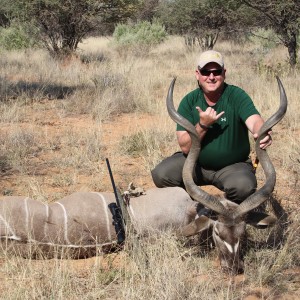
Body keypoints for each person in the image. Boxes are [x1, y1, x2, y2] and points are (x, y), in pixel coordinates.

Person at [151, 50, 272, 204]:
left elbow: (254, 121)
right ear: (197, 74)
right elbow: (186, 147)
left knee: (244, 187)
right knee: (161, 175)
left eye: (217, 71)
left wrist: (262, 131)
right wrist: (202, 125)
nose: (211, 77)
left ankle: (229, 215)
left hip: (232, 167)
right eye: (205, 72)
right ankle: (194, 207)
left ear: (224, 73)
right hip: (196, 165)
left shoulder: (236, 95)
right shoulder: (189, 101)